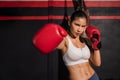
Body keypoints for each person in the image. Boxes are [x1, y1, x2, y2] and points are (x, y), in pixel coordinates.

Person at [57, 10, 101, 80]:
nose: (79, 29)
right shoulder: (65, 40)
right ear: (69, 22)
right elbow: (52, 45)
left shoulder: (85, 40)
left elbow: (97, 63)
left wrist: (96, 46)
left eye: (83, 26)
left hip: (93, 77)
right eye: (77, 25)